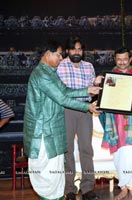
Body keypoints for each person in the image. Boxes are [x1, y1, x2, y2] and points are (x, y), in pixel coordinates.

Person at [23, 40, 100, 200]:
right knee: (47, 170)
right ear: (47, 54)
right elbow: (62, 99)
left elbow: (64, 90)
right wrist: (87, 107)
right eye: (58, 54)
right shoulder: (41, 75)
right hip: (43, 130)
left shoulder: (49, 72)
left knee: (55, 166)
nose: (60, 57)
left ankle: (62, 194)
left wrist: (86, 89)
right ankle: (54, 196)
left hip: (51, 126)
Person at [99, 47, 132, 200]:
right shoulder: (110, 77)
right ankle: (123, 187)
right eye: (118, 59)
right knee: (120, 154)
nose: (122, 62)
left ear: (130, 60)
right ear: (115, 60)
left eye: (124, 59)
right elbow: (103, 96)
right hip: (116, 122)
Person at [57, 36, 101, 200]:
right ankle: (69, 189)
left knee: (86, 149)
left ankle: (88, 188)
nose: (77, 52)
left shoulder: (89, 66)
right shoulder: (60, 65)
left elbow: (93, 88)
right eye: (74, 49)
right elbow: (60, 91)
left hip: (85, 110)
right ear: (68, 51)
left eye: (80, 49)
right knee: (67, 150)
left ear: (83, 51)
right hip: (66, 109)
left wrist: (97, 82)